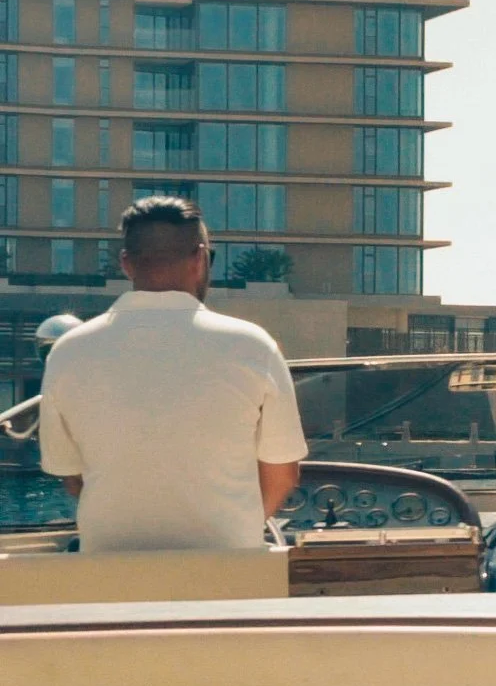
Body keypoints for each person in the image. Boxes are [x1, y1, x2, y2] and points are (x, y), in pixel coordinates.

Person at [39, 196, 308, 552]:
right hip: (228, 573)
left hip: (109, 575)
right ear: (199, 258)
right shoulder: (251, 346)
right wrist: (237, 528)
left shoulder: (68, 351)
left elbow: (72, 477)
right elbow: (283, 473)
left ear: (126, 265)